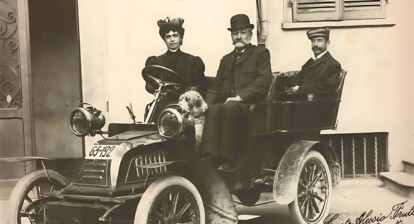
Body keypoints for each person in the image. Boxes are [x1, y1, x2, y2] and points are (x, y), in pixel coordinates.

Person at [201, 14, 272, 172]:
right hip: (230, 105)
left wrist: (240, 97)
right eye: (235, 33)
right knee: (213, 109)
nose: (238, 36)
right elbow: (215, 86)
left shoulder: (261, 54)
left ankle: (229, 159)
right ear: (231, 36)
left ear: (250, 35)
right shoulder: (226, 60)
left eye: (243, 32)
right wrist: (205, 104)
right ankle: (209, 156)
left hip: (252, 105)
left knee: (230, 107)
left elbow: (263, 82)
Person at [144, 17, 206, 122]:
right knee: (152, 110)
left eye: (175, 35)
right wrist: (157, 90)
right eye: (168, 37)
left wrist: (189, 93)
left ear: (181, 38)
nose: (172, 39)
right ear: (164, 39)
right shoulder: (156, 61)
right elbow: (149, 85)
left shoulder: (193, 61)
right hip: (164, 103)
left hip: (185, 104)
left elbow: (200, 84)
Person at [286, 27, 342, 99]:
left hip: (317, 104)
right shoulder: (310, 62)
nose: (315, 44)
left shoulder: (333, 64)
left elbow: (327, 87)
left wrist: (300, 89)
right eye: (313, 41)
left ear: (327, 43)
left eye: (319, 41)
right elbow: (298, 79)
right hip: (305, 101)